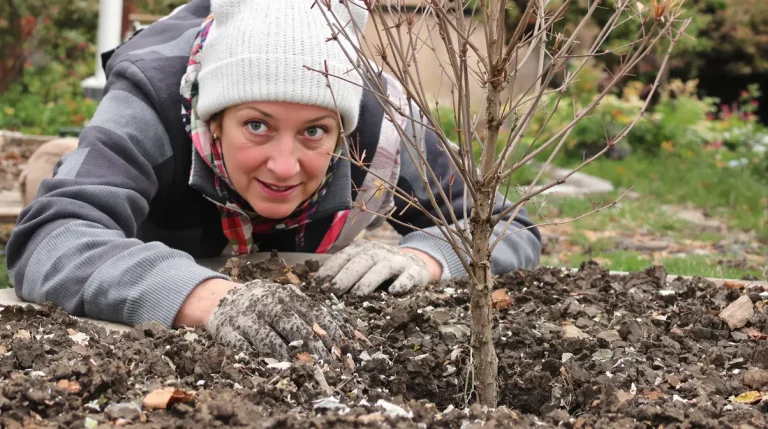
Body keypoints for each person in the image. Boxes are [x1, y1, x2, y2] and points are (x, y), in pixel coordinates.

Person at [6, 0, 541, 359]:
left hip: (285, 228)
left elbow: (506, 224)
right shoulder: (152, 100)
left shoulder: (384, 122)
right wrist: (204, 294)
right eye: (257, 125)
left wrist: (425, 258)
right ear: (212, 118)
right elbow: (51, 234)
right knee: (59, 175)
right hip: (165, 212)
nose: (285, 166)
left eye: (314, 132)